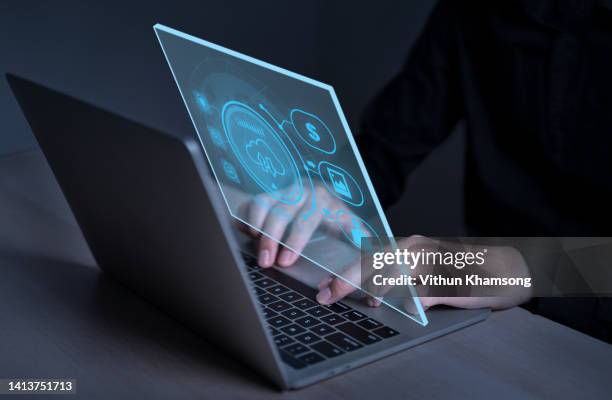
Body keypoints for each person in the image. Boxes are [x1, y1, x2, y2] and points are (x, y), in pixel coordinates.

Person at [245, 0, 612, 342]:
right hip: (486, 316)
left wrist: (528, 267)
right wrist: (328, 189)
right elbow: (389, 142)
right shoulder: (474, 10)